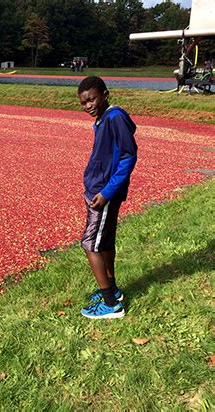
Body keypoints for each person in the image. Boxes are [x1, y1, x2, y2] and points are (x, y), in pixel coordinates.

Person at [77, 76, 137, 319]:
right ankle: (112, 289)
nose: (88, 105)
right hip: (99, 188)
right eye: (83, 102)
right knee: (105, 241)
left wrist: (106, 192)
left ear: (105, 94)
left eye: (92, 99)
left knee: (90, 243)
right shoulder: (103, 120)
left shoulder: (115, 118)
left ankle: (111, 304)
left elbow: (128, 157)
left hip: (104, 192)